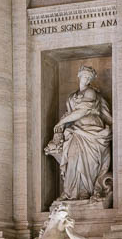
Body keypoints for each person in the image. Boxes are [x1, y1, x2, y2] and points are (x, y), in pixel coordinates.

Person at [45, 66, 113, 201]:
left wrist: (61, 122)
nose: (86, 79)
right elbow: (71, 114)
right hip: (76, 131)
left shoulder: (91, 93)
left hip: (92, 131)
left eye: (89, 77)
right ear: (79, 75)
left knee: (89, 163)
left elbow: (82, 112)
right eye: (84, 76)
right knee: (73, 157)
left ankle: (85, 191)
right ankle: (70, 191)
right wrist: (64, 125)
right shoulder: (71, 96)